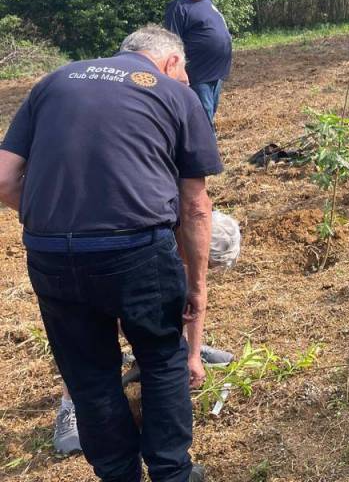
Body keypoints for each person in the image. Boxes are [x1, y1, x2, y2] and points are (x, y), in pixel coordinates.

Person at [0, 25, 222, 482]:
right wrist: (197, 285)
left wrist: (56, 219)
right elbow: (196, 205)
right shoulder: (175, 94)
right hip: (136, 249)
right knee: (161, 358)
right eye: (183, 74)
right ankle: (172, 472)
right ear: (171, 62)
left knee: (89, 374)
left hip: (50, 254)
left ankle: (119, 476)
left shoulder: (53, 81)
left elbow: (4, 180)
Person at [164, 0, 233, 125]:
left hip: (216, 72)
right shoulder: (178, 7)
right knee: (203, 116)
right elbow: (172, 42)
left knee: (210, 112)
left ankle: (207, 139)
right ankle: (207, 141)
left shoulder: (208, 3)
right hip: (197, 74)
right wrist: (180, 72)